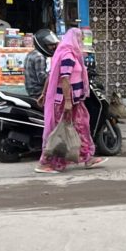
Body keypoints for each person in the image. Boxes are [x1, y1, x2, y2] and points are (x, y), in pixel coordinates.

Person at [35, 27, 106, 173]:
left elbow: (50, 75)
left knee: (81, 127)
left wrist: (43, 93)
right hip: (64, 102)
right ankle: (45, 163)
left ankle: (87, 157)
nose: (80, 41)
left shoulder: (69, 54)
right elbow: (64, 78)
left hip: (75, 101)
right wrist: (67, 101)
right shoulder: (67, 55)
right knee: (59, 132)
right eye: (79, 38)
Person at [24, 28, 59, 107]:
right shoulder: (39, 57)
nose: (53, 47)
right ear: (42, 44)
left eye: (54, 44)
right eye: (50, 45)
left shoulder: (32, 53)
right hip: (38, 92)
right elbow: (42, 78)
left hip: (32, 91)